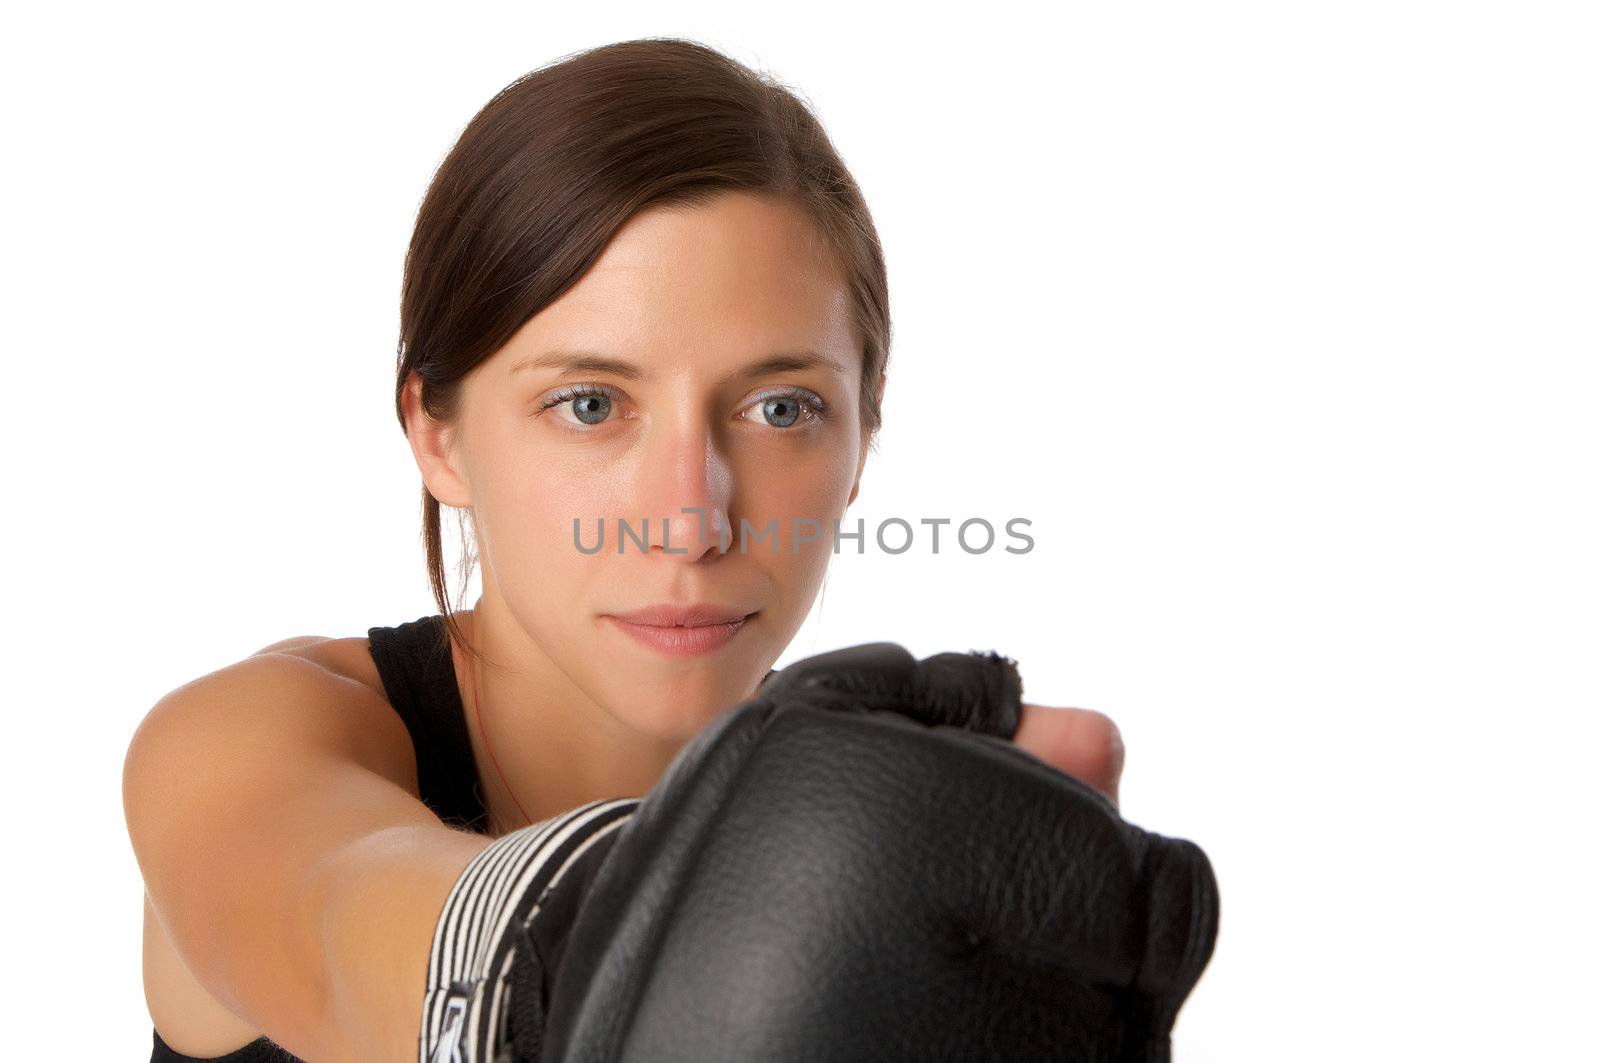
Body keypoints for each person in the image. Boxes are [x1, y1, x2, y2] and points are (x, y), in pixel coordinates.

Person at [123, 36, 1125, 1063]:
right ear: (438, 434)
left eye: (781, 407)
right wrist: (584, 961)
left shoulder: (911, 848)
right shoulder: (236, 745)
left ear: (863, 433)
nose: (691, 519)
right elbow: (335, 919)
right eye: (589, 404)